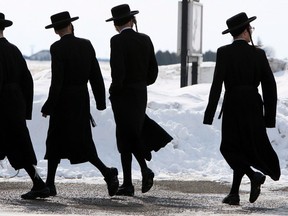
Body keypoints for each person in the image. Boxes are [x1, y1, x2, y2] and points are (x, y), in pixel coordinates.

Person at [203, 12, 280, 205]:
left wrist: (209, 113)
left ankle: (252, 177)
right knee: (240, 148)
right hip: (254, 105)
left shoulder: (223, 52)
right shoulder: (258, 54)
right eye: (250, 28)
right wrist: (269, 117)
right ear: (245, 31)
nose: (251, 31)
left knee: (229, 147)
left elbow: (216, 85)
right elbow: (270, 86)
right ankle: (234, 193)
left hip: (233, 105)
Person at [42, 11, 119, 197]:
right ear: (71, 25)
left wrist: (49, 105)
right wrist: (100, 101)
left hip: (63, 102)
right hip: (80, 100)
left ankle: (51, 184)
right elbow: (95, 76)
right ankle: (106, 173)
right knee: (82, 141)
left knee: (55, 141)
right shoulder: (86, 45)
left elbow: (57, 81)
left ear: (55, 31)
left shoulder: (56, 48)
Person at [106, 4, 173, 196]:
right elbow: (153, 71)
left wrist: (114, 89)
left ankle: (140, 174)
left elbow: (117, 71)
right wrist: (141, 84)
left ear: (115, 24)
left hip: (123, 94)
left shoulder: (116, 41)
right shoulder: (145, 39)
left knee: (126, 135)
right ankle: (129, 182)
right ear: (132, 20)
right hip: (140, 93)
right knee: (129, 134)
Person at [0, 12, 50, 200]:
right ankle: (39, 183)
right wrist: (25, 109)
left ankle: (39, 184)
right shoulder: (14, 49)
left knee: (16, 145)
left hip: (2, 105)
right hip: (16, 104)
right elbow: (27, 80)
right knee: (18, 145)